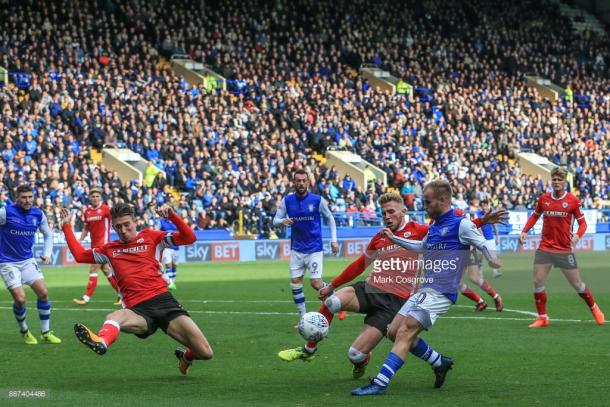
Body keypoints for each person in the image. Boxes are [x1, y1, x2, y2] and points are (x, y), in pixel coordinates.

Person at [279, 192, 507, 382]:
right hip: (370, 289)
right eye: (383, 213)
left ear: (403, 211)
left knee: (355, 354)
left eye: (391, 212)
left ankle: (363, 359)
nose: (386, 217)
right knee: (332, 301)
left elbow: (453, 230)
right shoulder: (380, 236)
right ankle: (309, 350)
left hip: (395, 302)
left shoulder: (421, 230)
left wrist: (481, 222)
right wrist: (332, 285)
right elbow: (360, 264)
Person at [352, 179, 502, 396]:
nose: (424, 206)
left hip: (441, 292)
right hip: (425, 290)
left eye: (428, 202)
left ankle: (380, 382)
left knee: (405, 331)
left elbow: (483, 242)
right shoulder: (435, 226)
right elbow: (422, 247)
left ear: (442, 200)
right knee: (393, 331)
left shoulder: (461, 224)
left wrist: (492, 257)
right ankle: (439, 362)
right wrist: (396, 240)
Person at [60, 203, 213, 375]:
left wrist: (172, 216)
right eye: (118, 227)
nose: (123, 230)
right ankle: (101, 342)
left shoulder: (152, 237)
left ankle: (186, 356)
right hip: (138, 310)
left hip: (165, 303)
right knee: (114, 316)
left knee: (206, 353)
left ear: (135, 222)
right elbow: (80, 256)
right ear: (113, 227)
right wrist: (66, 225)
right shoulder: (109, 250)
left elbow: (189, 238)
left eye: (127, 224)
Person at [519, 167, 605, 328]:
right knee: (537, 281)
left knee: (577, 284)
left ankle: (594, 308)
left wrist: (578, 235)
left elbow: (583, 223)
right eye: (554, 180)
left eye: (560, 180)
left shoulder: (572, 200)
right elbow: (535, 216)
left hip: (564, 249)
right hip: (545, 247)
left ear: (565, 182)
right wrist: (524, 231)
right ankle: (542, 317)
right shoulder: (543, 199)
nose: (556, 182)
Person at [273, 169, 339, 322]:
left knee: (316, 283)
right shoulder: (287, 201)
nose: (301, 183)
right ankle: (303, 319)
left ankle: (337, 301)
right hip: (296, 249)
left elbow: (330, 218)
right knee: (295, 282)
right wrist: (282, 222)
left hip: (314, 248)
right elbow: (275, 220)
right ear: (294, 182)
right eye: (298, 180)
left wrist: (334, 240)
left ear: (308, 182)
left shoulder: (317, 200)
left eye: (304, 180)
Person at [0, 185, 61, 345]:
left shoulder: (38, 214)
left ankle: (46, 332)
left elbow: (48, 235)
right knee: (20, 299)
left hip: (27, 260)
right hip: (7, 262)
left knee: (43, 293)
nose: (27, 200)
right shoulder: (5, 212)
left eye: (29, 197)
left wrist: (47, 253)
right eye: (23, 197)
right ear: (17, 198)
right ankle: (24, 330)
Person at [73, 188, 120, 305]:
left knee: (93, 268)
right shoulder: (87, 212)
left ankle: (86, 298)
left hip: (103, 245)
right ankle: (122, 294)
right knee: (106, 270)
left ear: (101, 198)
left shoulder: (105, 209)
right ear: (90, 198)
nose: (95, 198)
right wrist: (80, 239)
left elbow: (116, 219)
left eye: (97, 196)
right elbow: (86, 228)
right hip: (94, 245)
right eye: (93, 196)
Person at [157, 209, 180, 291]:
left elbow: (180, 231)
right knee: (168, 264)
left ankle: (173, 281)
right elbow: (156, 232)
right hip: (166, 247)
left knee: (174, 266)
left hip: (176, 247)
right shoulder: (161, 221)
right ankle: (170, 283)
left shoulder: (176, 221)